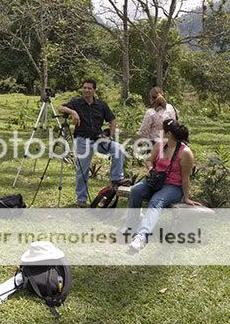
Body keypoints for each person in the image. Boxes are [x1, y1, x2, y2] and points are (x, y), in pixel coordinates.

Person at [126, 119, 201, 252]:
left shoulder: (185, 152)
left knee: (156, 201)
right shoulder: (161, 145)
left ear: (169, 133)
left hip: (173, 186)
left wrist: (187, 197)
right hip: (155, 181)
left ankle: (141, 237)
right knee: (136, 190)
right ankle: (131, 224)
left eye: (163, 130)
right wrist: (150, 170)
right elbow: (149, 160)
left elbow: (185, 177)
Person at [58, 79, 127, 207]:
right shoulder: (76, 103)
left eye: (89, 88)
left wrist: (111, 136)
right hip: (82, 140)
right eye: (84, 88)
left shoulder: (101, 105)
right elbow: (60, 108)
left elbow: (112, 119)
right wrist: (73, 112)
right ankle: (82, 199)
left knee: (118, 148)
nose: (86, 90)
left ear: (94, 90)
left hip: (98, 139)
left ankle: (117, 179)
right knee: (82, 171)